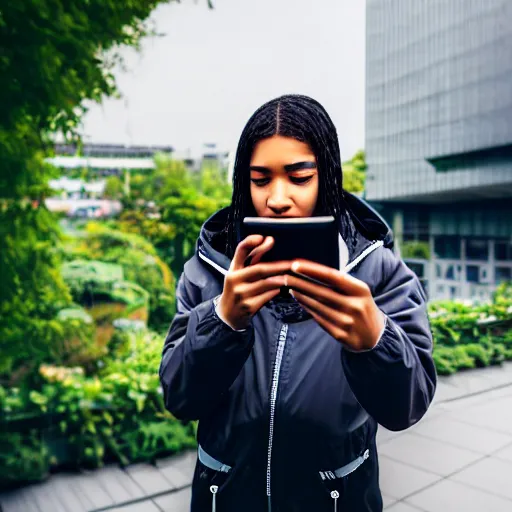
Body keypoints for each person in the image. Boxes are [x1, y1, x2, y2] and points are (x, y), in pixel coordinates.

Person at [159, 94, 437, 512]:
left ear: (327, 176)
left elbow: (407, 406)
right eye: (260, 179)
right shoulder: (207, 271)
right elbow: (179, 397)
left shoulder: (377, 270)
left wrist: (375, 341)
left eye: (299, 177)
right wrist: (222, 320)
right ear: (242, 183)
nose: (277, 198)